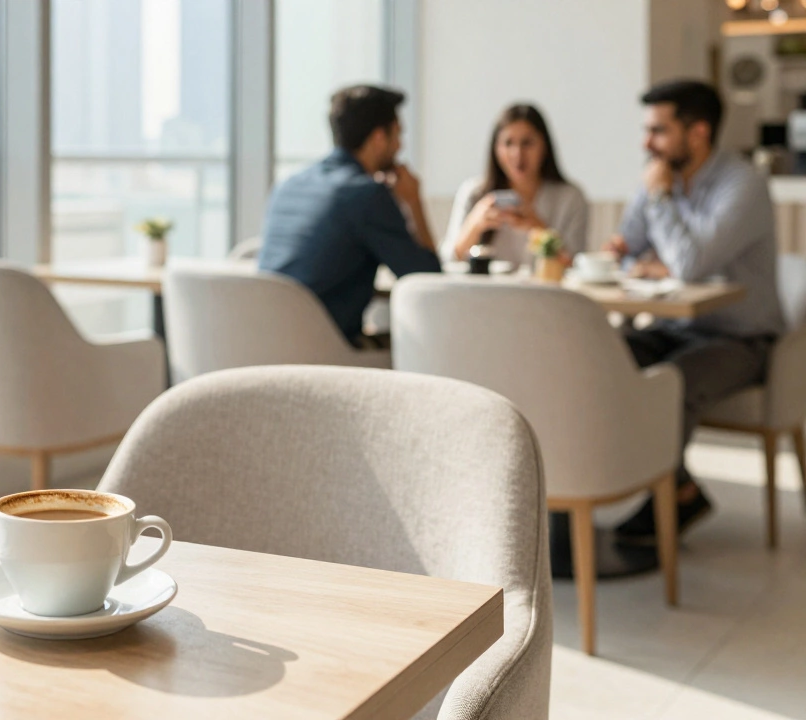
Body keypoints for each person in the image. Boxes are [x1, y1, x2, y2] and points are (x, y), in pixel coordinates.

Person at [607, 80, 785, 544]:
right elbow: (625, 251)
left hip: (740, 338)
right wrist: (634, 253)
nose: (646, 143)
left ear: (698, 131)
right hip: (674, 325)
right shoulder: (658, 175)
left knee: (675, 380)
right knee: (606, 358)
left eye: (658, 131)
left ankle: (666, 499)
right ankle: (679, 488)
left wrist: (660, 200)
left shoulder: (742, 185)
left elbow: (687, 265)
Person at [258, 85, 441, 344]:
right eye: (398, 134)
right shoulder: (366, 194)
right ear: (379, 137)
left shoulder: (288, 185)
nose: (401, 145)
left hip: (265, 339)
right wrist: (414, 202)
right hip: (323, 350)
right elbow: (430, 283)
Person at [443, 103, 589, 266]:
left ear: (544, 146)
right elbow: (445, 263)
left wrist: (539, 229)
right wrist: (474, 225)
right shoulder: (474, 193)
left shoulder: (570, 198)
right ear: (495, 148)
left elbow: (577, 266)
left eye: (527, 143)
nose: (517, 154)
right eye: (508, 143)